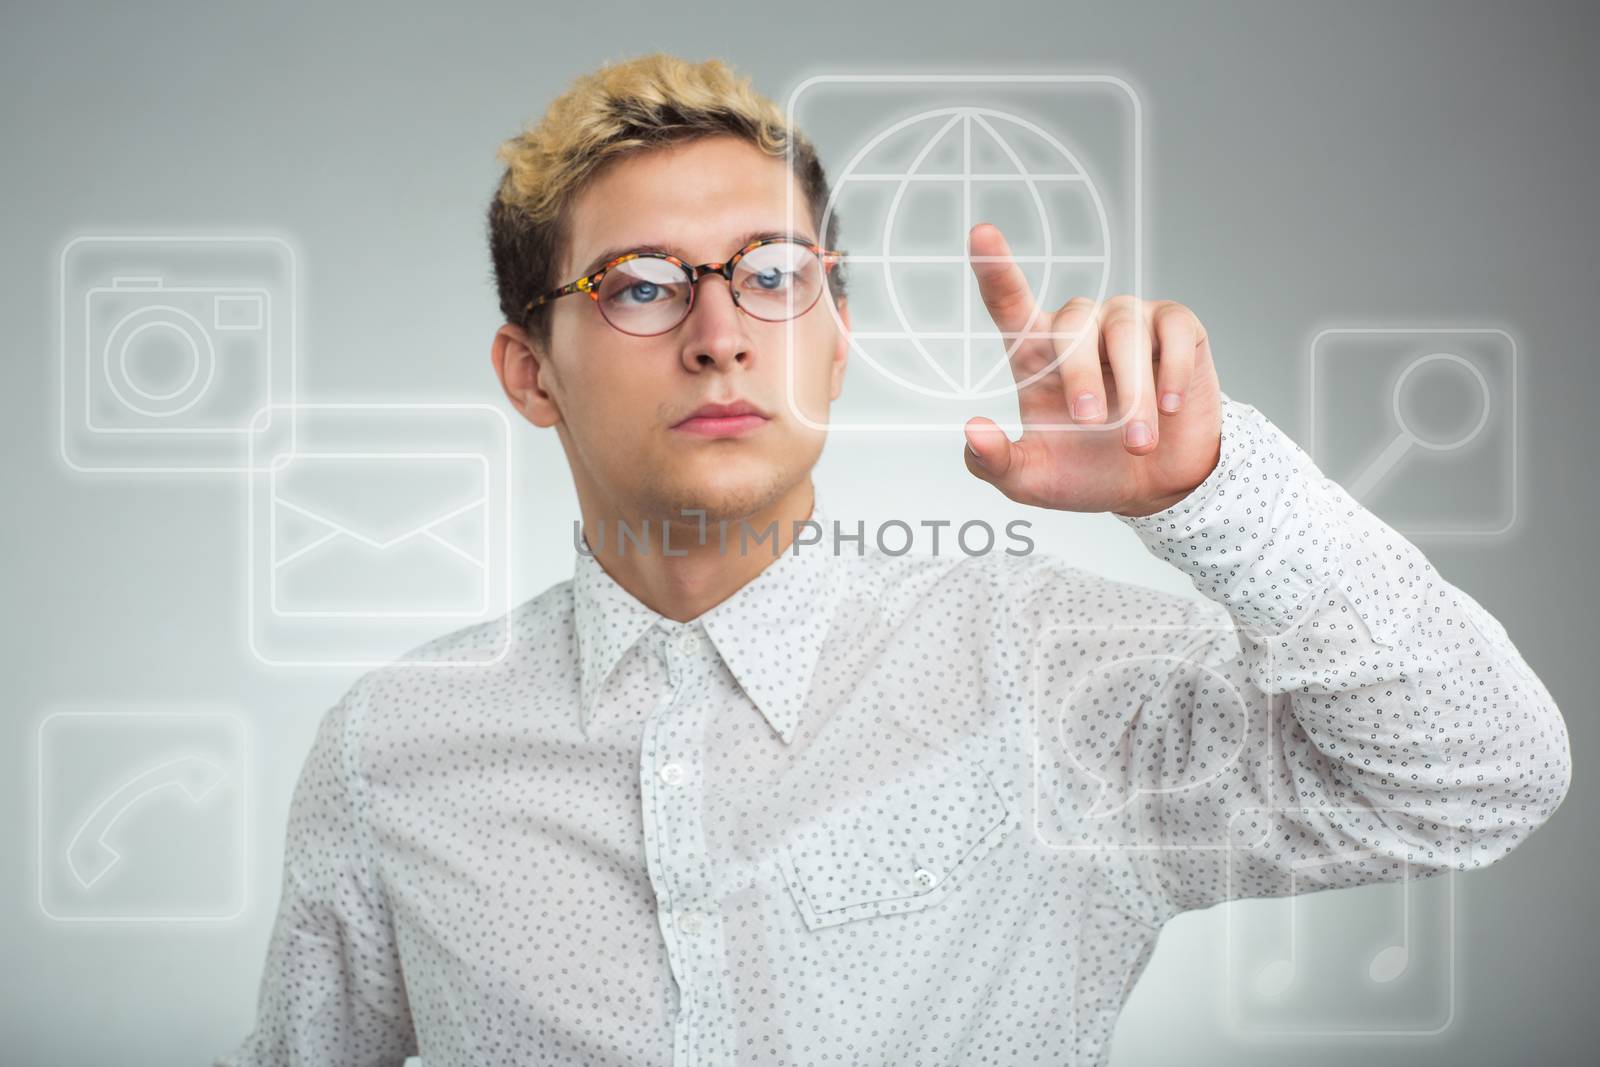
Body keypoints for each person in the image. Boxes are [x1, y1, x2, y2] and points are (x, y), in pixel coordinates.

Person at [218, 52, 1572, 1067]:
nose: (721, 332)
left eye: (772, 274)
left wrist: (1214, 497)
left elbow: (1479, 779)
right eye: (639, 283)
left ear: (838, 337)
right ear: (530, 372)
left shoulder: (1052, 680)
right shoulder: (392, 751)